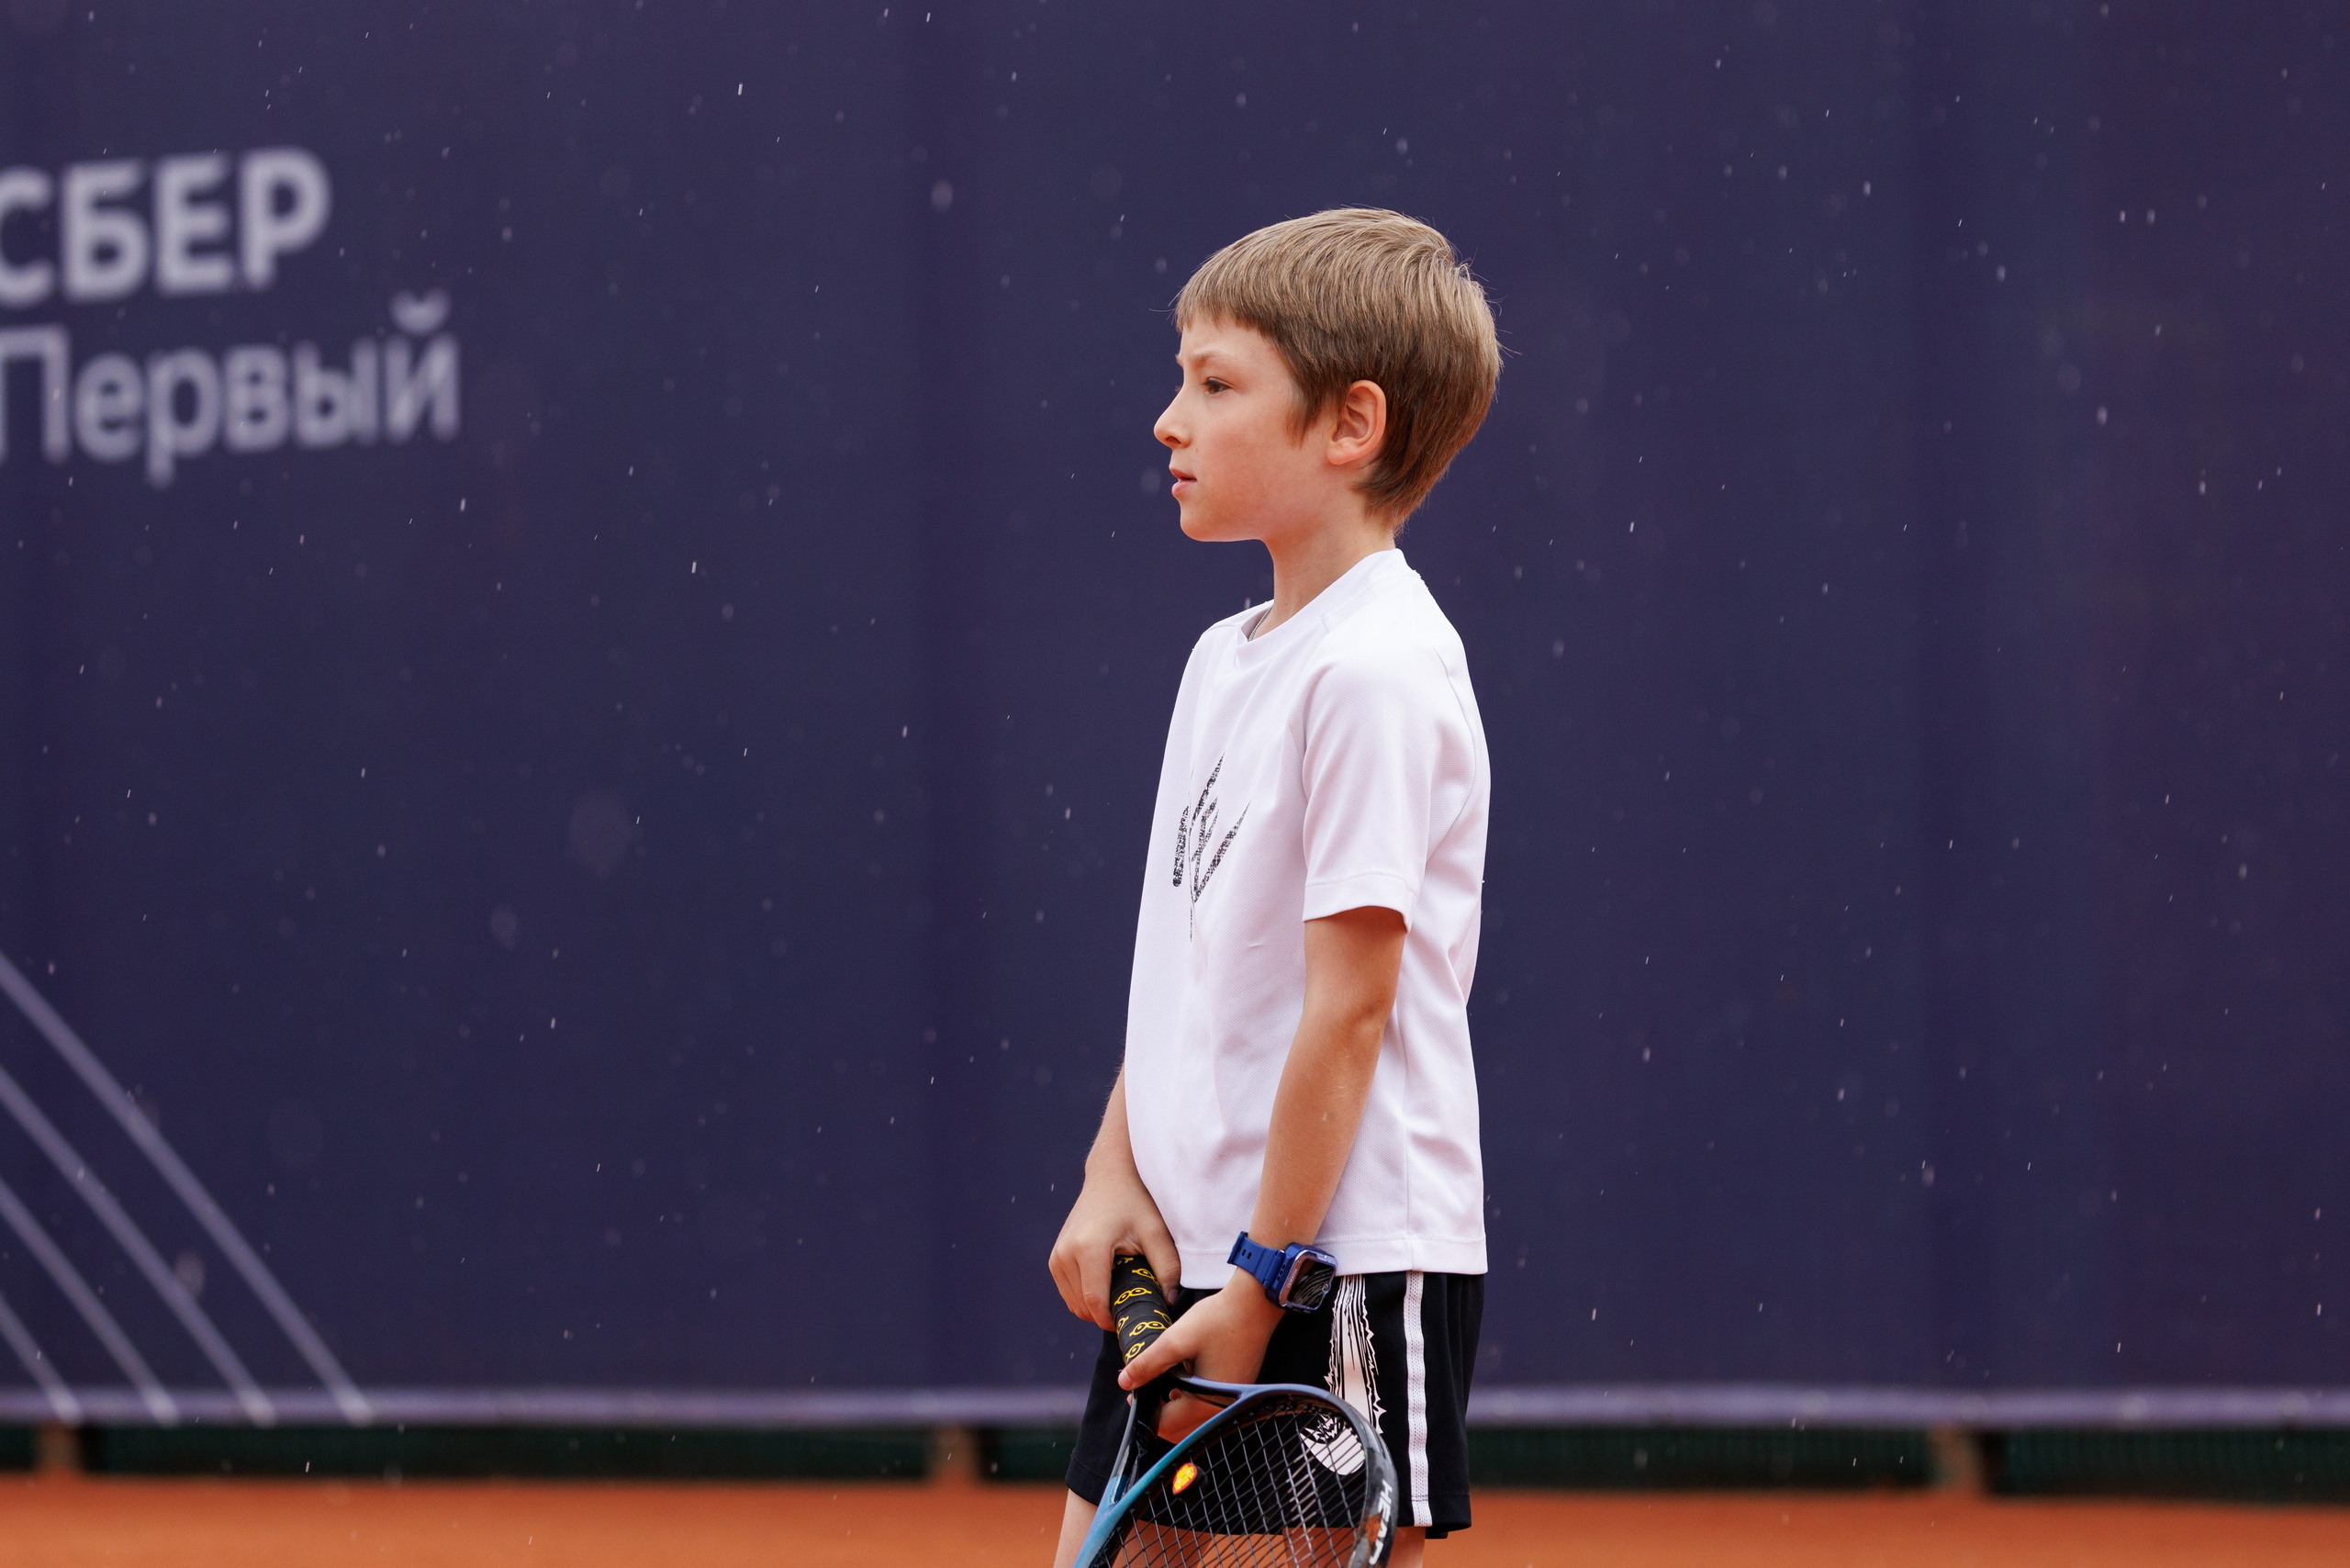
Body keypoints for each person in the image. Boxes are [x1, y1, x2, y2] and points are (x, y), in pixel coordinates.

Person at [1046, 207, 1502, 1567]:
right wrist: (1112, 1170)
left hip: (1335, 1269)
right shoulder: (1220, 661)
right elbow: (1194, 971)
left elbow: (1347, 1011)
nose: (1168, 420)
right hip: (1195, 1259)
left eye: (1216, 382)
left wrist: (1262, 1281)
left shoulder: (1377, 670)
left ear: (1349, 426)